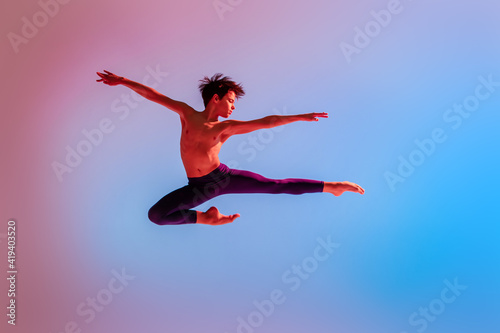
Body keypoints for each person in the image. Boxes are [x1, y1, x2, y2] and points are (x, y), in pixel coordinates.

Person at [96, 70, 364, 226]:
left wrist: (299, 116)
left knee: (275, 185)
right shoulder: (187, 113)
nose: (233, 106)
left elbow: (266, 122)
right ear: (216, 98)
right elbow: (154, 95)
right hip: (197, 187)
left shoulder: (225, 129)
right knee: (156, 216)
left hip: (221, 179)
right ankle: (208, 219)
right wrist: (123, 81)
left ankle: (332, 186)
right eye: (231, 100)